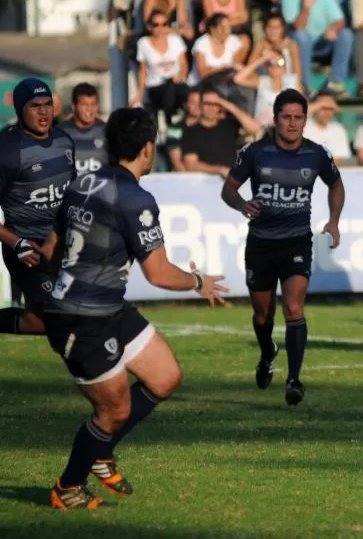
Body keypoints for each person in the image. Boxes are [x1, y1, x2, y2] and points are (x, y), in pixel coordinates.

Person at [43, 107, 227, 510]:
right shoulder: (134, 198)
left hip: (106, 306)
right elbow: (159, 273)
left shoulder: (82, 182)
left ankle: (102, 454)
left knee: (164, 377)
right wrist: (199, 282)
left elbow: (51, 247)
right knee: (114, 409)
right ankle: (67, 486)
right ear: (148, 148)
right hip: (82, 318)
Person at [222, 89, 344, 406]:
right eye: (286, 117)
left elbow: (336, 184)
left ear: (305, 120)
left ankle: (294, 380)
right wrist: (241, 205)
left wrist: (333, 220)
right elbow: (229, 188)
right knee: (263, 315)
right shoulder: (254, 152)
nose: (292, 124)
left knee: (293, 308)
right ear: (275, 119)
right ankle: (267, 351)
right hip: (261, 244)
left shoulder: (317, 154)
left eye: (298, 118)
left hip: (296, 240)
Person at [0, 79, 75, 337]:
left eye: (48, 105)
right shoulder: (7, 150)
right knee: (65, 316)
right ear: (20, 109)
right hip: (26, 249)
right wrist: (15, 242)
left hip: (60, 246)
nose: (43, 112)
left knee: (40, 323)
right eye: (35, 106)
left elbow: (70, 195)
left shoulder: (65, 141)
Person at [281, 0, 352, 96]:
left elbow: (340, 21)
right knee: (302, 37)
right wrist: (306, 7)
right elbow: (298, 27)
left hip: (322, 41)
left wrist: (333, 29)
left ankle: (337, 82)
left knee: (345, 34)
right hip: (298, 43)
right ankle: (305, 85)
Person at [180, 88, 262, 176]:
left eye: (215, 104)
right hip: (205, 183)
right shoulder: (191, 132)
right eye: (207, 104)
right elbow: (191, 165)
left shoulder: (228, 125)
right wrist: (220, 170)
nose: (211, 108)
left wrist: (227, 105)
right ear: (200, 106)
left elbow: (255, 128)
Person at [131, 10, 189, 121]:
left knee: (182, 91)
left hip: (177, 84)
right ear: (149, 26)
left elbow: (184, 65)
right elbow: (143, 71)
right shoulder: (143, 43)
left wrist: (181, 76)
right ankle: (169, 119)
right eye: (156, 25)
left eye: (164, 24)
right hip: (156, 86)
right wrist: (139, 94)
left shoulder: (175, 40)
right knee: (169, 88)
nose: (160, 28)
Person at [234, 50, 304, 127]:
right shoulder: (262, 81)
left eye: (280, 63)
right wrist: (263, 59)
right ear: (266, 67)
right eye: (271, 63)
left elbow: (301, 106)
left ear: (285, 66)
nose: (276, 66)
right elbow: (238, 79)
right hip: (262, 127)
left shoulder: (293, 80)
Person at [59, 83, 108, 177]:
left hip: (99, 191)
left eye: (93, 104)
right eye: (85, 105)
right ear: (73, 106)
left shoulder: (107, 132)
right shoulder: (60, 133)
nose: (90, 109)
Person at [190, 12, 248, 83]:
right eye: (223, 27)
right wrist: (225, 67)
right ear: (212, 29)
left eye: (229, 27)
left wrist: (213, 69)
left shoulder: (234, 41)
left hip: (225, 84)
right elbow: (203, 73)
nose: (227, 31)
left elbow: (236, 68)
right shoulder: (201, 43)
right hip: (201, 84)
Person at [248, 13, 301, 79]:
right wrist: (264, 58)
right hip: (266, 83)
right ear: (264, 28)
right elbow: (250, 68)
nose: (273, 31)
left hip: (288, 82)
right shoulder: (260, 44)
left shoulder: (291, 45)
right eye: (270, 27)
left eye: (277, 27)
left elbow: (297, 72)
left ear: (283, 28)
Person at [305, 92, 352, 164]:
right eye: (323, 108)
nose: (327, 112)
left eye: (330, 108)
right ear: (315, 108)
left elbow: (339, 158)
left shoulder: (338, 129)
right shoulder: (304, 126)